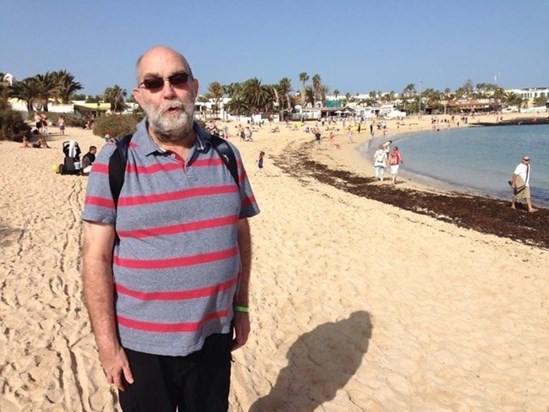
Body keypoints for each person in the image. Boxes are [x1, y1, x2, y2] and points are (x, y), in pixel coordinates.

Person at [81, 46, 260, 411]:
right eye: (154, 82)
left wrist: (240, 309)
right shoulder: (114, 161)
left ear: (193, 86)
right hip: (142, 349)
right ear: (140, 95)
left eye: (177, 79)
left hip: (214, 337)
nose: (168, 91)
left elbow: (240, 237)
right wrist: (107, 346)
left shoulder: (227, 155)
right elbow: (95, 258)